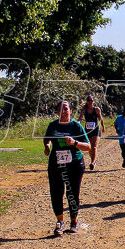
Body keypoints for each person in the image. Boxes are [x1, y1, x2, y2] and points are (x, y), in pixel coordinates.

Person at [42, 100, 91, 235]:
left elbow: (88, 146)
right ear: (57, 112)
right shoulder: (53, 125)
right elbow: (47, 138)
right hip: (56, 163)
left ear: (70, 111)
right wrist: (47, 146)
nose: (63, 112)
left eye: (66, 109)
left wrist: (74, 142)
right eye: (60, 109)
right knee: (56, 192)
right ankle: (60, 222)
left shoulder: (76, 126)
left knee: (72, 193)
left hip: (74, 163)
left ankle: (74, 221)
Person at [78, 95, 104, 170]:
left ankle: (92, 162)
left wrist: (103, 127)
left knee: (94, 146)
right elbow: (80, 117)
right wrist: (78, 123)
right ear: (87, 101)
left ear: (93, 101)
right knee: (89, 147)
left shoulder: (96, 109)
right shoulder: (84, 109)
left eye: (91, 101)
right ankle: (93, 159)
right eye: (89, 100)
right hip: (87, 130)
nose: (90, 102)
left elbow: (100, 118)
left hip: (96, 130)